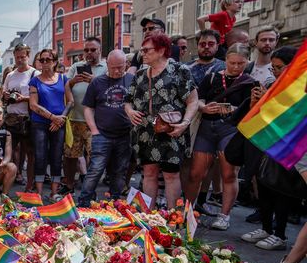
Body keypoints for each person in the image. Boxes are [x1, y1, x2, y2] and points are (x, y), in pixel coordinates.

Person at [185, 44, 255, 230]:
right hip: (207, 127)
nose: (236, 67)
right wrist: (204, 107)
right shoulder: (213, 77)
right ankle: (188, 211)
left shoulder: (250, 82)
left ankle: (224, 216)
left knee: (229, 174)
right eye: (232, 63)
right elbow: (197, 99)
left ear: (247, 61)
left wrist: (233, 109)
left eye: (241, 63)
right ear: (226, 61)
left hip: (230, 129)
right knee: (196, 173)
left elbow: (252, 109)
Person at [124, 33, 198, 210]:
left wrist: (185, 123)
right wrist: (130, 111)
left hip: (171, 130)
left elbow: (193, 101)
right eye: (142, 50)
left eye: (146, 50)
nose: (142, 53)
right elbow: (127, 100)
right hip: (144, 132)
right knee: (148, 173)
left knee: (171, 175)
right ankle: (149, 216)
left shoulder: (180, 70)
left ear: (161, 50)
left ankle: (172, 217)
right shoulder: (140, 74)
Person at [241, 46, 298, 251]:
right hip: (267, 141)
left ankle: (280, 235)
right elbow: (258, 114)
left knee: (281, 189)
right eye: (273, 68)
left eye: (279, 67)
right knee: (264, 183)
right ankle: (266, 227)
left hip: (289, 146)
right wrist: (258, 101)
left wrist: (270, 101)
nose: (274, 72)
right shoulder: (273, 84)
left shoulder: (301, 88)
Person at [79, 50, 134, 207]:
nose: (117, 71)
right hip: (102, 134)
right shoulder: (97, 82)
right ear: (107, 65)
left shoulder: (132, 80)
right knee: (95, 169)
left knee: (119, 171)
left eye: (120, 67)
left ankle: (115, 202)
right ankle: (84, 202)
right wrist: (94, 131)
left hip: (125, 134)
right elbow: (88, 108)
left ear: (126, 65)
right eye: (113, 67)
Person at [65, 37, 107, 193]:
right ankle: (69, 185)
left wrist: (95, 81)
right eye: (86, 50)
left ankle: (90, 189)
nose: (89, 53)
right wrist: (72, 82)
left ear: (99, 51)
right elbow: (66, 86)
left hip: (94, 122)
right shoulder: (76, 66)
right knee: (70, 156)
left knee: (94, 157)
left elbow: (110, 90)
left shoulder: (106, 67)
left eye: (93, 50)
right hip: (74, 118)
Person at [29, 49, 71, 201]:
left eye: (48, 59)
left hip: (59, 123)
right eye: (42, 60)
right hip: (40, 123)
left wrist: (61, 118)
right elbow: (33, 105)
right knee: (40, 156)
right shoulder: (35, 81)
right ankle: (39, 194)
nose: (44, 63)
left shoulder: (63, 79)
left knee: (56, 156)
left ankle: (54, 193)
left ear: (54, 62)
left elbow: (71, 101)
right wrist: (53, 117)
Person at [2, 44, 38, 191]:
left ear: (28, 56)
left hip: (28, 119)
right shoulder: (10, 75)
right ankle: (6, 187)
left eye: (23, 57)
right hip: (11, 118)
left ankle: (29, 186)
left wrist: (23, 98)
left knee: (30, 153)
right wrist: (6, 96)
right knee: (9, 153)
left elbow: (40, 97)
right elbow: (3, 94)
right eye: (17, 57)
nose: (19, 60)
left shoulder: (35, 74)